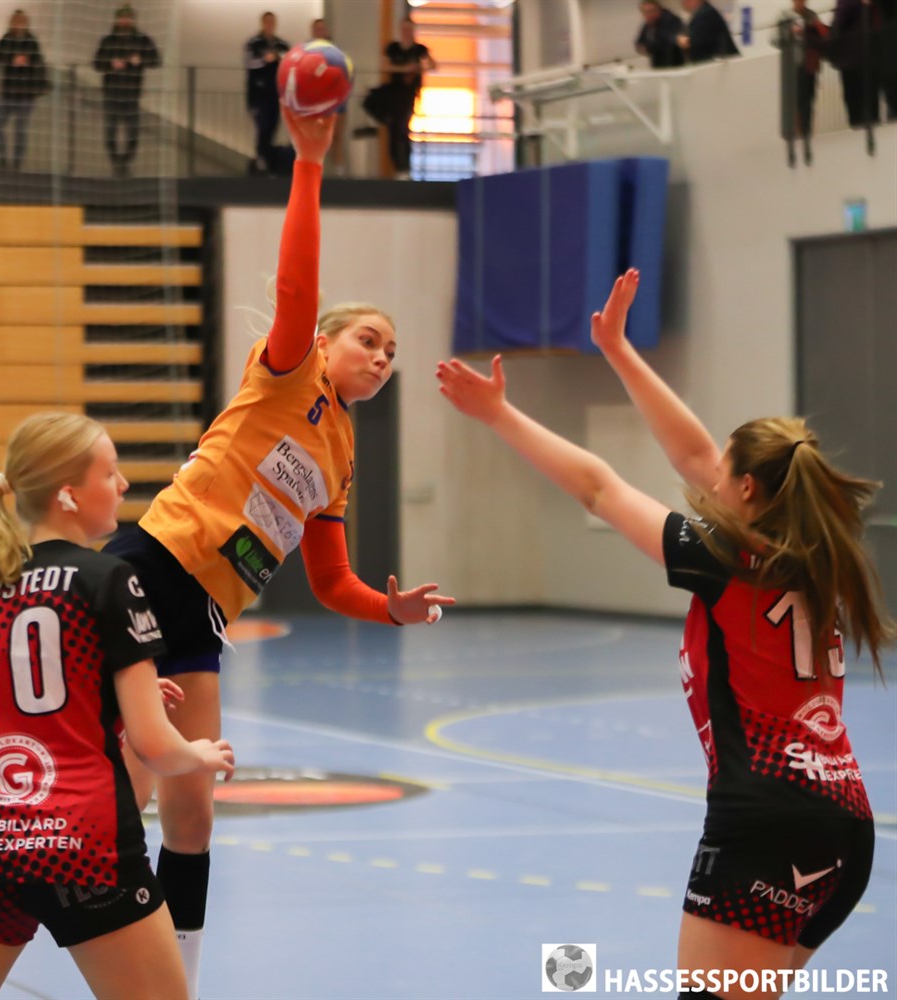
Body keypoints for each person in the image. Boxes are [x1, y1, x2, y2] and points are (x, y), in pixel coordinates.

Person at [437, 269, 892, 1000]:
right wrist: (617, 350)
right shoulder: (816, 554)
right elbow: (696, 456)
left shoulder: (725, 559)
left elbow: (599, 487)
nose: (709, 474)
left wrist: (499, 415)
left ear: (746, 489)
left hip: (767, 822)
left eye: (725, 472)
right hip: (844, 824)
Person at [102, 108, 455, 997]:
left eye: (392, 352)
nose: (382, 357)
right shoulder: (289, 370)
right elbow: (296, 286)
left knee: (192, 809)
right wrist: (307, 161)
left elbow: (331, 582)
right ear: (326, 343)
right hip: (152, 565)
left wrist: (391, 610)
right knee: (133, 783)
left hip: (205, 612)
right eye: (368, 339)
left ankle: (177, 975)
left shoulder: (341, 458)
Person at [0, 412, 235, 1000]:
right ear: (68, 494)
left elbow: (24, 711)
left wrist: (110, 698)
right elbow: (154, 747)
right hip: (85, 852)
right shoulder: (110, 579)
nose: (123, 485)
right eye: (110, 473)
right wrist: (200, 753)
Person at [93, 4, 161, 178]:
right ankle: (116, 161)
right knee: (110, 130)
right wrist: (111, 63)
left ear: (132, 20)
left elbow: (156, 60)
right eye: (122, 18)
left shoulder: (142, 40)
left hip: (132, 93)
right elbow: (97, 63)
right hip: (111, 92)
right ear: (117, 20)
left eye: (128, 18)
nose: (125, 21)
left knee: (133, 131)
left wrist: (141, 60)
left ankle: (126, 160)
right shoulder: (108, 40)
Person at [773, 0, 829, 165]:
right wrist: (789, 34)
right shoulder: (784, 17)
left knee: (808, 101)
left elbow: (821, 36)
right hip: (792, 67)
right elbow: (774, 39)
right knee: (795, 102)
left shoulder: (812, 16)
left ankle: (807, 133)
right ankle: (795, 136)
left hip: (810, 65)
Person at [0, 9, 47, 172]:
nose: (19, 25)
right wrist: (12, 59)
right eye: (16, 22)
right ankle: (2, 158)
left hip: (26, 93)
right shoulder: (6, 39)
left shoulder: (31, 41)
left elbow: (38, 62)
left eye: (21, 22)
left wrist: (27, 62)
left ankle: (17, 164)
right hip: (8, 92)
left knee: (20, 130)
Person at [381, 17, 436, 180]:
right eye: (404, 29)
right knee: (393, 131)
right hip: (393, 94)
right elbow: (385, 66)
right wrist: (405, 68)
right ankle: (397, 166)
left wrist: (419, 68)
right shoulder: (393, 48)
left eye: (409, 29)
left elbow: (432, 65)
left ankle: (405, 166)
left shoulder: (419, 49)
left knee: (403, 129)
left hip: (409, 95)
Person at [830, 0, 889, 127]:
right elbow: (838, 24)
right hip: (856, 57)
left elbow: (838, 24)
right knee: (860, 105)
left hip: (862, 57)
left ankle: (868, 127)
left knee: (864, 103)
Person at [244, 10, 289, 175]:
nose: (270, 25)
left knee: (272, 126)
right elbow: (249, 63)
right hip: (259, 94)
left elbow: (289, 62)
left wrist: (279, 58)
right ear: (262, 23)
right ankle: (261, 158)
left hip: (276, 94)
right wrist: (265, 59)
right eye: (267, 22)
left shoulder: (281, 44)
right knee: (262, 127)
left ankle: (268, 161)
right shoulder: (254, 43)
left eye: (272, 22)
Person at [311, 16, 347, 175]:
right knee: (319, 135)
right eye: (317, 29)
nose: (320, 31)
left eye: (322, 29)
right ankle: (318, 168)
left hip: (336, 96)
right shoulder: (308, 50)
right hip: (318, 98)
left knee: (336, 134)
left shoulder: (334, 50)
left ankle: (338, 168)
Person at [635, 0, 686, 68]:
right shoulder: (648, 25)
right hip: (658, 64)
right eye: (645, 12)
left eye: (651, 11)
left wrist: (649, 47)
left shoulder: (671, 20)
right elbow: (640, 43)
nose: (649, 14)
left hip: (673, 64)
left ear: (659, 10)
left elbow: (668, 41)